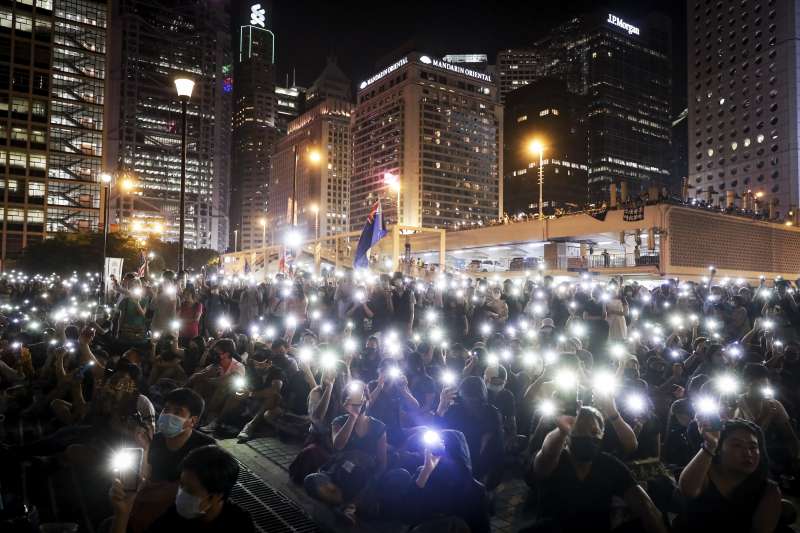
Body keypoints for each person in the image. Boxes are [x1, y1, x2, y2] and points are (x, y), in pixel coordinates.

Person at [529, 406, 668, 533]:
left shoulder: (609, 464)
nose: (588, 436)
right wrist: (561, 431)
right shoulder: (556, 461)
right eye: (580, 430)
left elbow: (645, 506)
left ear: (602, 435)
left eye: (594, 431)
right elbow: (547, 454)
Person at [110, 445, 254, 533]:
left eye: (190, 490)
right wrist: (123, 512)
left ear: (215, 497)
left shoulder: (240, 525)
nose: (181, 494)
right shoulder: (176, 515)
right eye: (181, 485)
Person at [128, 388, 214, 533]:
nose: (168, 415)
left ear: (192, 420)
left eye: (178, 412)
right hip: (150, 498)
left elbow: (196, 491)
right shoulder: (156, 440)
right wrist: (145, 448)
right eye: (166, 409)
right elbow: (144, 477)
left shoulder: (205, 448)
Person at [676, 419, 782, 533]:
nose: (748, 453)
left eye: (753, 447)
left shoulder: (769, 490)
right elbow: (688, 489)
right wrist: (710, 444)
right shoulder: (704, 473)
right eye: (737, 445)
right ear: (719, 449)